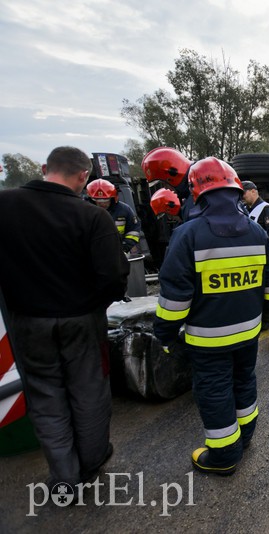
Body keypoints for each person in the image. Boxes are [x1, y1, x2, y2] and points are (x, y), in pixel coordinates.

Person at [0, 146, 129, 488]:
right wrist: (93, 304)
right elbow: (115, 278)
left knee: (45, 396)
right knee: (89, 392)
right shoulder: (91, 217)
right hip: (83, 320)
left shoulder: (5, 205)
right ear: (84, 176)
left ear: (45, 167)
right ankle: (90, 463)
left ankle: (64, 477)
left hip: (26, 322)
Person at [153, 157, 269, 476]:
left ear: (197, 192)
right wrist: (266, 318)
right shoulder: (255, 232)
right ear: (235, 190)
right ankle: (245, 437)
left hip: (208, 338)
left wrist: (166, 337)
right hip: (248, 333)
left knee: (214, 390)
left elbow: (174, 298)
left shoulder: (188, 235)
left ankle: (225, 454)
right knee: (244, 381)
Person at [86, 178, 142, 254]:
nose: (102, 204)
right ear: (91, 200)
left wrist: (124, 247)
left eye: (106, 201)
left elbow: (134, 231)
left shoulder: (124, 210)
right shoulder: (84, 212)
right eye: (98, 201)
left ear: (113, 198)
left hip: (120, 251)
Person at [241, 180, 269, 250]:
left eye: (243, 193)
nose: (242, 197)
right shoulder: (243, 209)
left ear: (253, 191)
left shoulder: (267, 209)